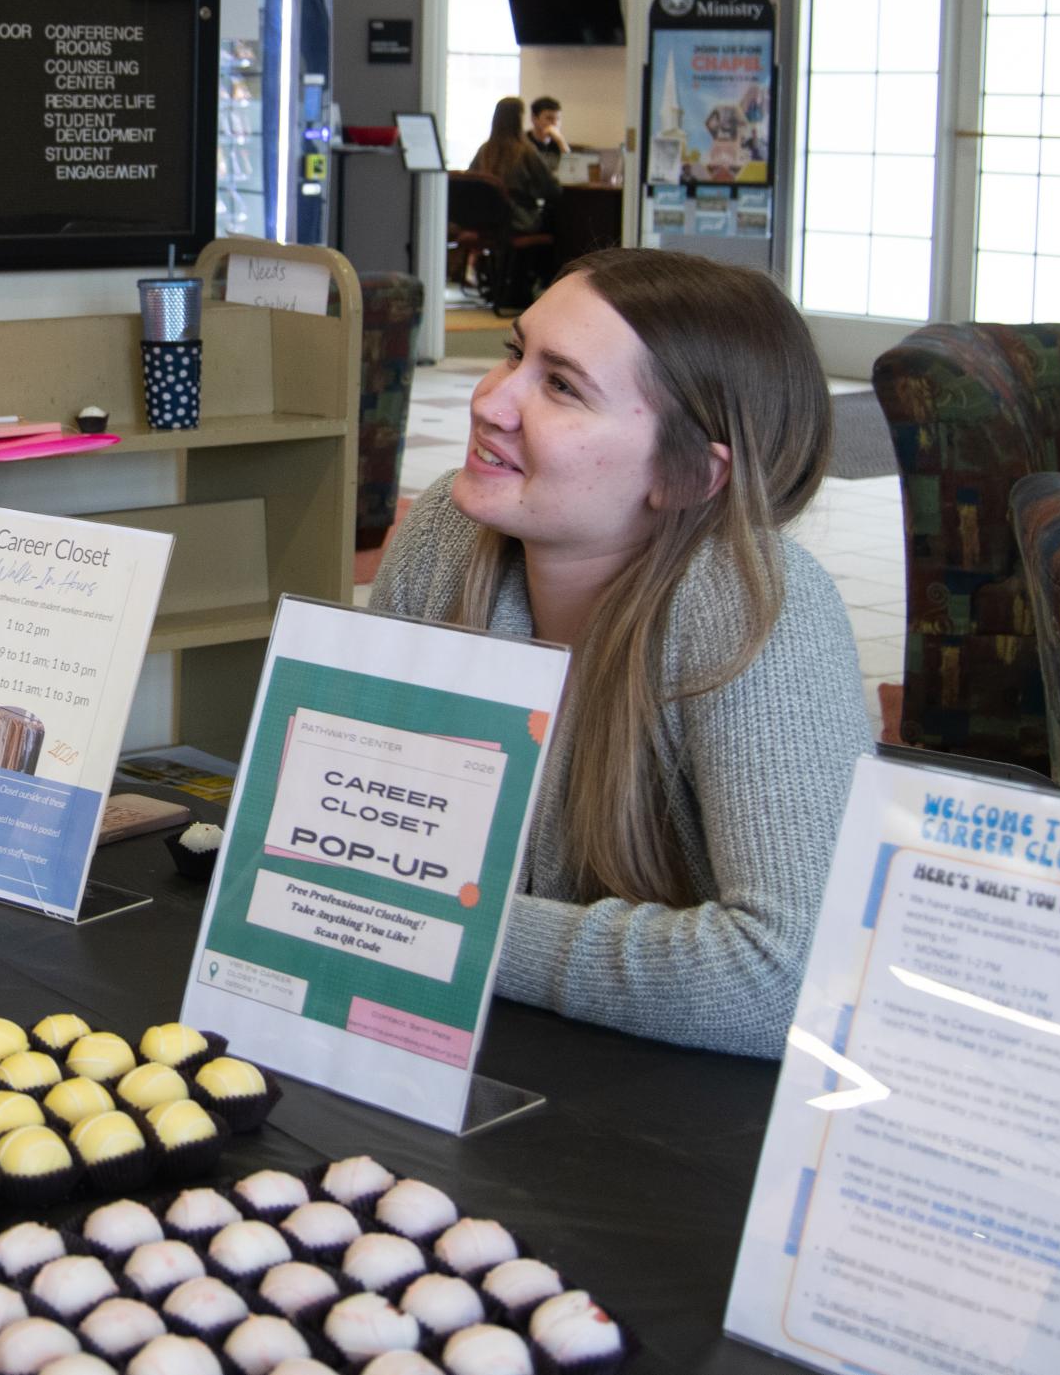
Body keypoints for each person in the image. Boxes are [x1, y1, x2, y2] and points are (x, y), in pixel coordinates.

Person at [368, 249, 870, 1057]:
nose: (492, 400)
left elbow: (791, 978)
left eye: (561, 385)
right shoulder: (449, 532)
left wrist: (431, 927)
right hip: (492, 1057)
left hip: (684, 1128)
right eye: (513, 353)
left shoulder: (757, 602)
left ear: (689, 477)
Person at [467, 93, 559, 233]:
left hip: (486, 220)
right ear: (519, 119)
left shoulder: (484, 150)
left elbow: (470, 182)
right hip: (518, 221)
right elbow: (552, 189)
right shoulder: (525, 151)